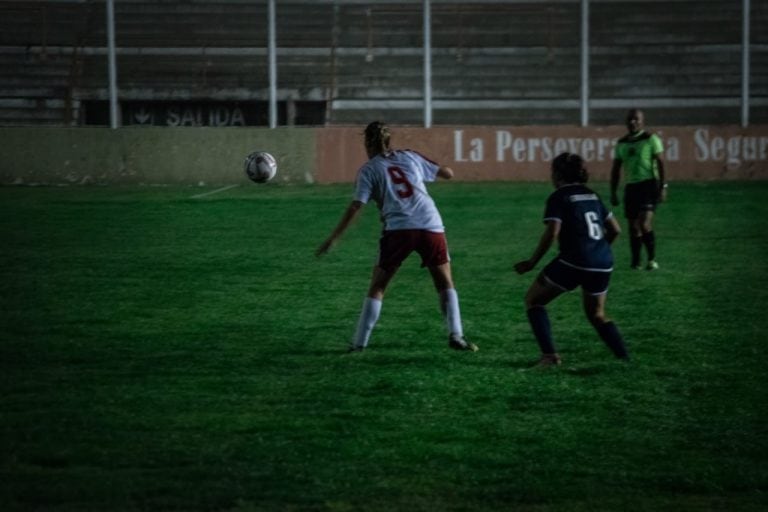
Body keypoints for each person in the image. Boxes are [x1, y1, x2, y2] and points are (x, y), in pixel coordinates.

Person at [315, 121, 477, 353]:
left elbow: (356, 206)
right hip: (430, 223)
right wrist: (439, 167)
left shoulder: (369, 169)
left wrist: (333, 238)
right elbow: (448, 174)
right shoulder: (409, 156)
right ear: (389, 141)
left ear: (366, 143)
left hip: (399, 229)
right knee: (444, 282)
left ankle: (359, 343)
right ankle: (457, 335)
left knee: (378, 286)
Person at [514, 152, 629, 367]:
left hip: (574, 261)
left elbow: (552, 232)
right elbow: (615, 230)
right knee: (597, 315)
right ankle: (624, 358)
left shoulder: (559, 196)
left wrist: (531, 262)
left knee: (533, 300)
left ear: (557, 174)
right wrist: (597, 252)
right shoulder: (591, 195)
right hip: (603, 262)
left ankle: (549, 356)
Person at [610, 108, 667, 270]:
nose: (632, 122)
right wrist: (614, 191)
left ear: (643, 121)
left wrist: (663, 186)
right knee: (633, 227)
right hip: (631, 188)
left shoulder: (651, 139)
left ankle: (652, 259)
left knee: (644, 223)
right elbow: (615, 169)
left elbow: (661, 163)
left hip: (649, 185)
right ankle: (636, 262)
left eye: (636, 119)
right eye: (630, 119)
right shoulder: (622, 143)